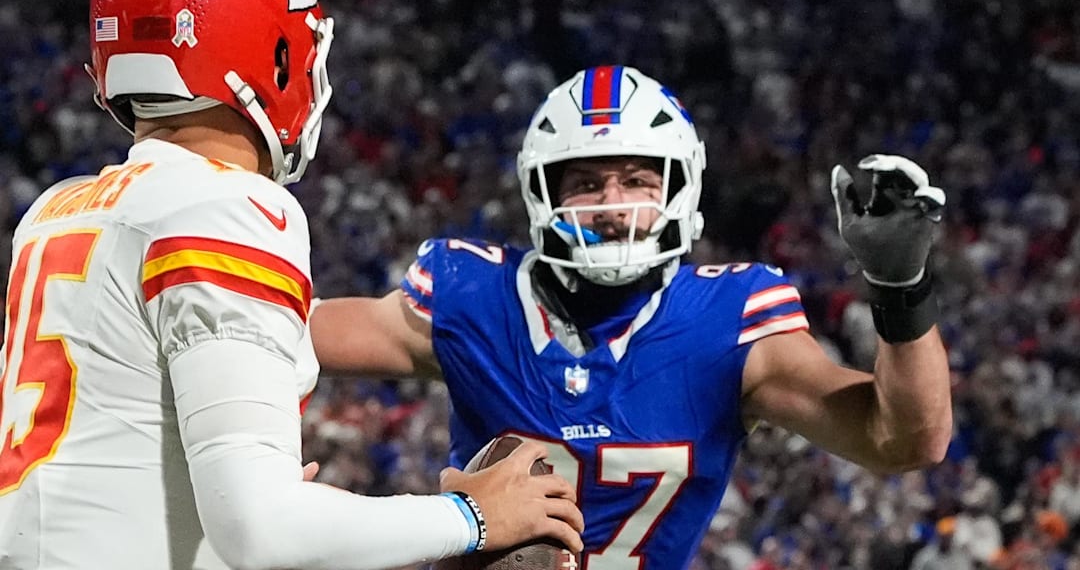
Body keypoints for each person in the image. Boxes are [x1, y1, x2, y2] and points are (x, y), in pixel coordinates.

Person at [0, 0, 583, 568]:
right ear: (277, 58)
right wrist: (473, 516)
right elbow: (262, 531)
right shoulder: (224, 205)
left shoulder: (57, 210)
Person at [310, 65, 952, 568]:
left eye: (637, 181)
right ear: (543, 193)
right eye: (586, 183)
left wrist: (900, 287)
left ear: (680, 188)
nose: (614, 207)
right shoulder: (473, 295)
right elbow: (278, 333)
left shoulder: (729, 320)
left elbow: (906, 441)